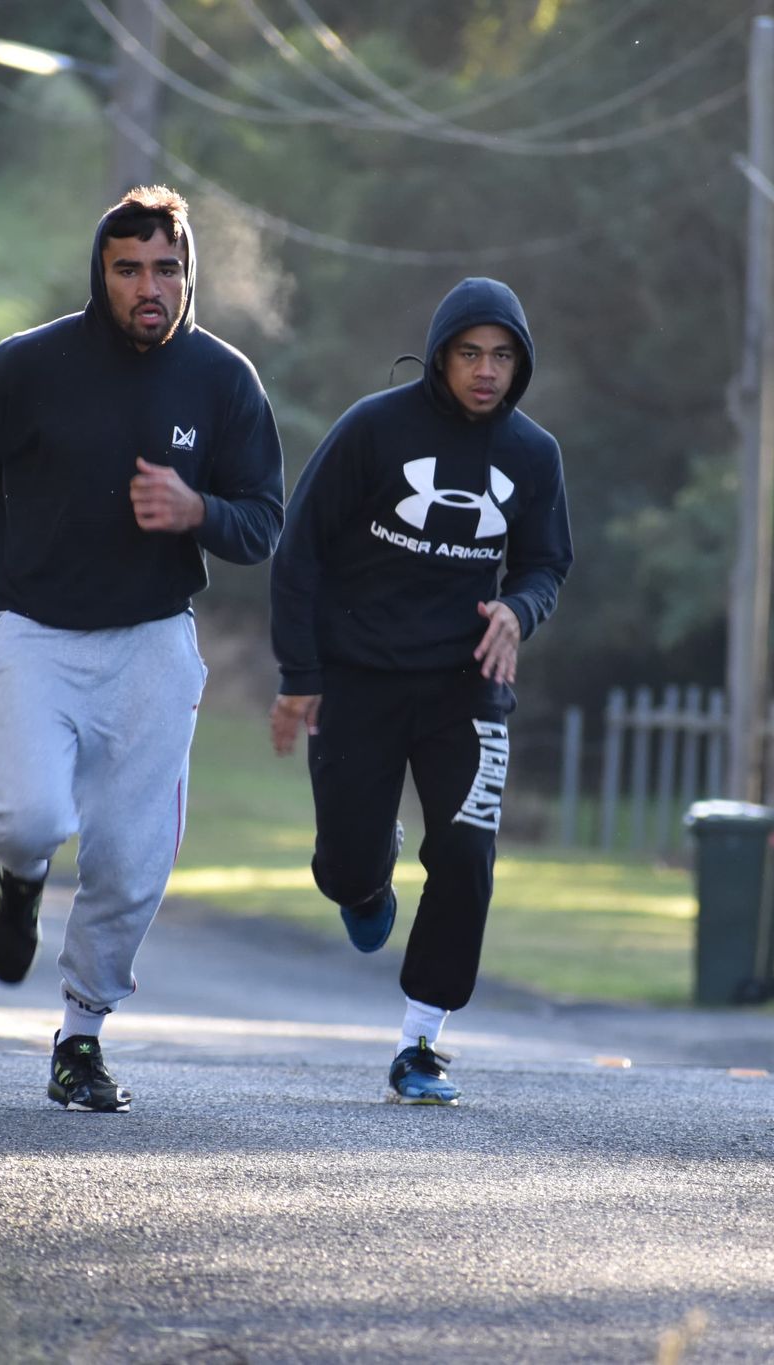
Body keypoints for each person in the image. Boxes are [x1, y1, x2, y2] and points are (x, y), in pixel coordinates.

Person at [0, 187, 285, 1113]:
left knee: (133, 863)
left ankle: (82, 1037)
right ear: (100, 275)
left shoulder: (223, 382)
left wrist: (197, 511)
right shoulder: (31, 367)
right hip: (33, 636)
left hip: (152, 643)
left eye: (166, 268)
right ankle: (19, 881)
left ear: (188, 275)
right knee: (28, 820)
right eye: (127, 267)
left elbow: (264, 522)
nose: (149, 285)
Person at [269, 277, 573, 1106]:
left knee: (468, 855)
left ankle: (422, 1042)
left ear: (521, 364)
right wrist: (300, 677)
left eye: (503, 356)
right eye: (471, 353)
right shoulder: (372, 429)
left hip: (467, 688)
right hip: (358, 680)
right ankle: (368, 879)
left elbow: (547, 562)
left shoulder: (533, 455)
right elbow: (299, 551)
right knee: (344, 867)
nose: (486, 371)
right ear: (440, 355)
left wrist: (518, 608)